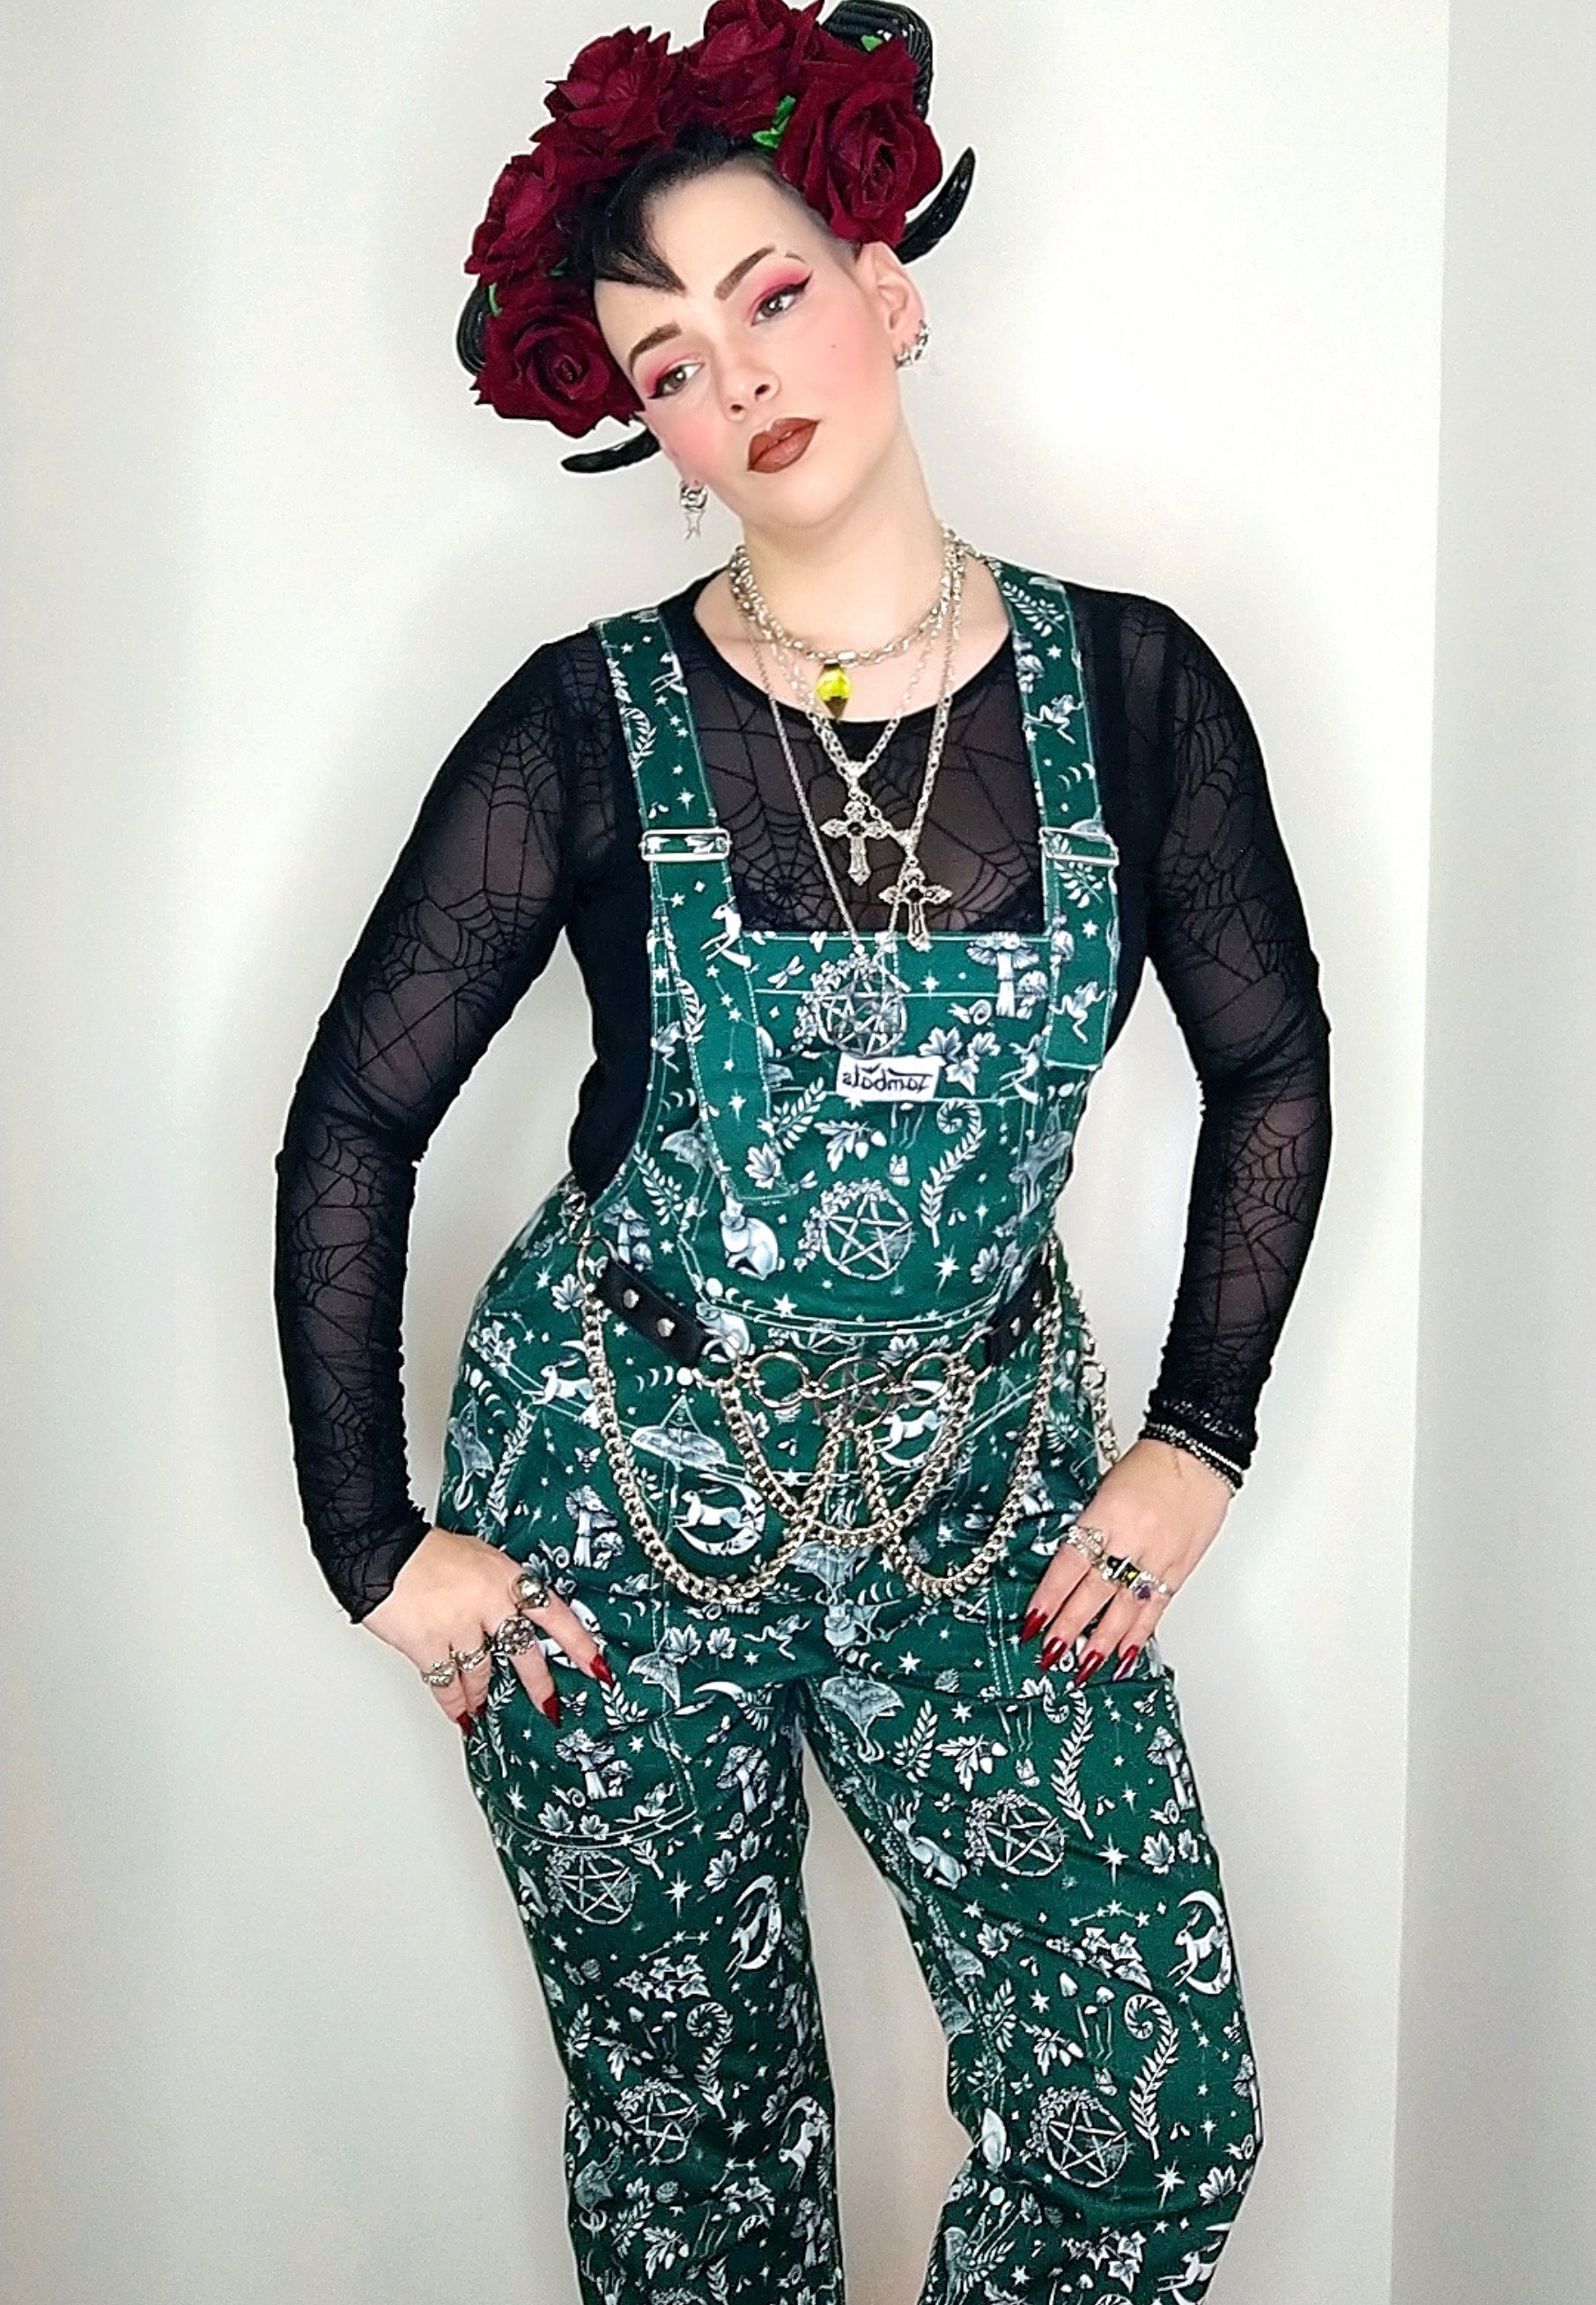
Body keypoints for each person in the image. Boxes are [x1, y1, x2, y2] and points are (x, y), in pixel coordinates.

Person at [271, 4, 1332, 2298]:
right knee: (700, 2164)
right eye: (670, 360)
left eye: (768, 293)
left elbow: (1270, 1065)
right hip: (612, 1510)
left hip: (986, 1497)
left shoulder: (1135, 690)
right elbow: (357, 1112)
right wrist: (375, 1539)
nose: (737, 373)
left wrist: (1197, 1437)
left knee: (1147, 2117)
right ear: (649, 428)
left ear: (886, 286)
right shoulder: (584, 722)